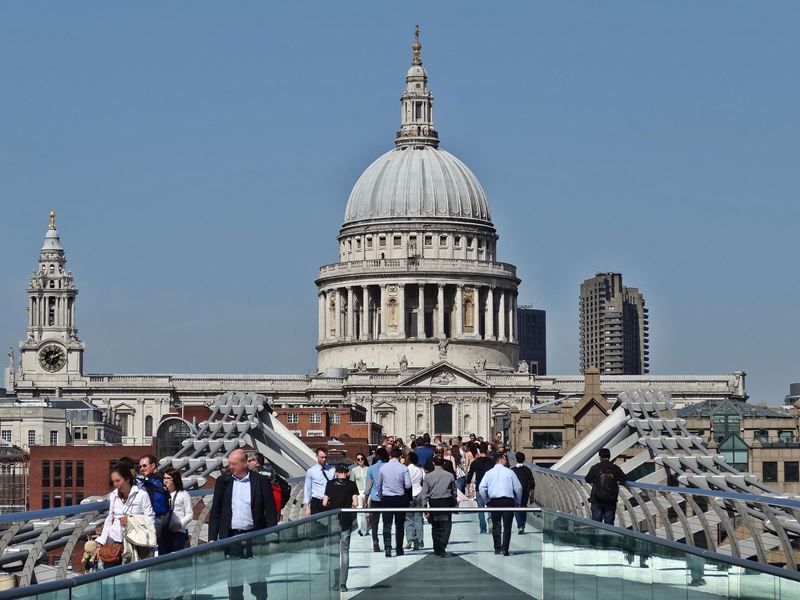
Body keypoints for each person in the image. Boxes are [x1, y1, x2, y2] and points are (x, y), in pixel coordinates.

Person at [208, 449, 278, 600]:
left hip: (255, 536)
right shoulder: (223, 481)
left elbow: (270, 509)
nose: (229, 467)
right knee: (234, 580)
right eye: (229, 463)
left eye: (233, 464)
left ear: (244, 463)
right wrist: (212, 538)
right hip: (231, 537)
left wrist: (272, 534)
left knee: (257, 580)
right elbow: (216, 510)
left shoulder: (261, 481)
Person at [97, 463, 155, 567]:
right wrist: (101, 541)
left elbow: (150, 519)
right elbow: (110, 518)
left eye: (118, 481)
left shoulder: (141, 495)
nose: (115, 484)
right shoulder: (113, 496)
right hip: (114, 543)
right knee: (111, 576)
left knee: (132, 577)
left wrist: (131, 520)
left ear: (127, 479)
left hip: (134, 544)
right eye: (113, 481)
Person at [323, 463, 359, 592]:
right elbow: (356, 503)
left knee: (333, 552)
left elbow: (324, 502)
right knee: (345, 551)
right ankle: (343, 583)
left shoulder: (330, 484)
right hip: (346, 520)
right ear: (347, 473)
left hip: (333, 519)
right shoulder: (351, 485)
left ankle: (334, 582)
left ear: (337, 473)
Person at [479, 453, 522, 556]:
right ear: (502, 460)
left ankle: (497, 548)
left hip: (494, 501)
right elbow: (518, 488)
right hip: (508, 501)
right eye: (505, 459)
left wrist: (486, 500)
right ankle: (505, 549)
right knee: (507, 526)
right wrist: (518, 501)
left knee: (496, 525)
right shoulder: (509, 472)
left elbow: (481, 487)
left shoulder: (489, 473)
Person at [375, 447, 411, 557]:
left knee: (387, 524)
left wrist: (381, 495)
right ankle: (399, 548)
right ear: (400, 456)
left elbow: (378, 484)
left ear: (390, 456)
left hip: (386, 498)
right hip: (399, 498)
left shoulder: (383, 468)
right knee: (399, 525)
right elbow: (408, 485)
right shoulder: (403, 468)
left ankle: (387, 548)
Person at [421, 455, 457, 557]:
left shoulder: (428, 476)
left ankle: (437, 546)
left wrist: (424, 507)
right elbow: (454, 491)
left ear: (433, 463)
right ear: (443, 463)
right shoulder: (449, 475)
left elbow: (424, 493)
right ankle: (443, 545)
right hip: (446, 502)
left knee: (435, 526)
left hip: (434, 503)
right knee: (446, 525)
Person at [584, 448, 627, 525]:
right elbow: (624, 479)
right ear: (609, 456)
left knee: (596, 523)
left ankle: (596, 537)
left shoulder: (595, 468)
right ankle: (607, 536)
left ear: (600, 457)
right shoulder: (615, 468)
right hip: (611, 500)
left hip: (596, 499)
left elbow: (587, 479)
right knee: (609, 523)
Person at [137, 454, 170, 547]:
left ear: (153, 465)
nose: (142, 469)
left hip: (156, 519)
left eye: (144, 466)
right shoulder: (162, 477)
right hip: (163, 518)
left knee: (153, 548)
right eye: (140, 466)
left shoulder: (153, 480)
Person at [160, 468, 193, 555]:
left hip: (177, 533)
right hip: (163, 532)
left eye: (168, 478)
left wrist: (179, 524)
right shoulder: (162, 494)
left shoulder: (183, 494)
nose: (165, 481)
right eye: (164, 478)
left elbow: (190, 514)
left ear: (175, 479)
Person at [249, 452, 290, 518]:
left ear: (256, 462)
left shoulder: (253, 473)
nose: (247, 463)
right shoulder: (272, 473)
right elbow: (286, 486)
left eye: (249, 461)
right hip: (273, 507)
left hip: (260, 509)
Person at [466, 442, 494, 533]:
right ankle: (490, 520)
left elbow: (470, 475)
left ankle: (483, 527)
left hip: (479, 487)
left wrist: (468, 487)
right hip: (490, 487)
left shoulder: (475, 462)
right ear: (486, 450)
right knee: (490, 506)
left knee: (480, 508)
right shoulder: (491, 462)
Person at [365, 447, 389, 552]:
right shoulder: (389, 467)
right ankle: (387, 542)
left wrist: (366, 499)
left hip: (375, 498)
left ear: (377, 456)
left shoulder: (371, 468)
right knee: (386, 522)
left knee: (374, 522)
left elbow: (368, 486)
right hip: (387, 498)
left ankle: (375, 541)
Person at [303, 448, 335, 516]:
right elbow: (307, 489)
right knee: (316, 524)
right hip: (316, 502)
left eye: (325, 457)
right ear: (317, 456)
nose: (324, 459)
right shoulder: (311, 471)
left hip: (329, 501)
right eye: (322, 457)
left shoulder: (332, 470)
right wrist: (306, 507)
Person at [404, 451, 425, 550]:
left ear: (410, 459)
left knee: (408, 519)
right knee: (418, 518)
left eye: (407, 458)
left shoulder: (406, 469)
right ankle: (420, 540)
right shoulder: (420, 470)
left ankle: (410, 538)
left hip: (409, 494)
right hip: (419, 493)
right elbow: (423, 481)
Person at [511, 452, 535, 534]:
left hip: (515, 491)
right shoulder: (527, 470)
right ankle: (523, 525)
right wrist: (532, 496)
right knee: (523, 507)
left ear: (516, 459)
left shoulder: (512, 470)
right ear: (524, 459)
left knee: (516, 507)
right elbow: (532, 483)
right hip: (525, 491)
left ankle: (519, 525)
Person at [349, 453, 369, 536]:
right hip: (358, 492)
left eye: (362, 458)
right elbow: (352, 483)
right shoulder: (354, 470)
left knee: (367, 512)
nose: (360, 460)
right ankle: (362, 529)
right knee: (360, 511)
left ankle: (366, 528)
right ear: (356, 461)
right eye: (358, 459)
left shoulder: (369, 469)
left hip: (367, 492)